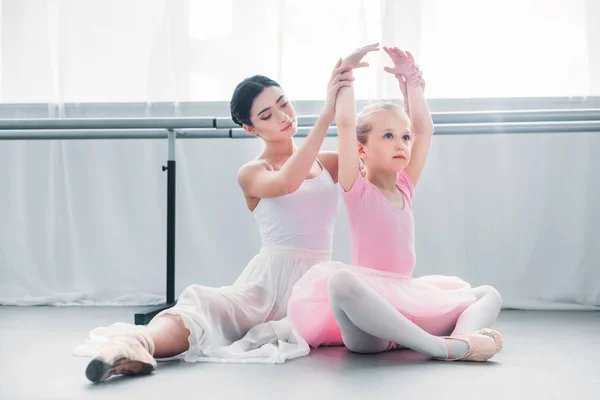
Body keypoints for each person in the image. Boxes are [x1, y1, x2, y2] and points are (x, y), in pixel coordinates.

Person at [79, 57, 358, 383]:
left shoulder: (328, 163)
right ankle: (133, 345)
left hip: (318, 281)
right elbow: (287, 183)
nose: (283, 117)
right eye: (267, 115)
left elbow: (368, 162)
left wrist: (347, 85)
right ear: (250, 129)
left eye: (284, 105)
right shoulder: (253, 172)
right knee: (204, 302)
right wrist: (326, 114)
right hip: (267, 284)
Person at [287, 44, 504, 362]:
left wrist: (413, 83)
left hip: (410, 303)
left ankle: (461, 341)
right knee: (341, 283)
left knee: (488, 294)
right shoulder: (356, 189)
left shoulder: (405, 187)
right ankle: (437, 347)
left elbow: (423, 130)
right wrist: (345, 75)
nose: (402, 143)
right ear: (361, 150)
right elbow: (346, 124)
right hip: (372, 324)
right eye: (388, 136)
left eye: (404, 137)